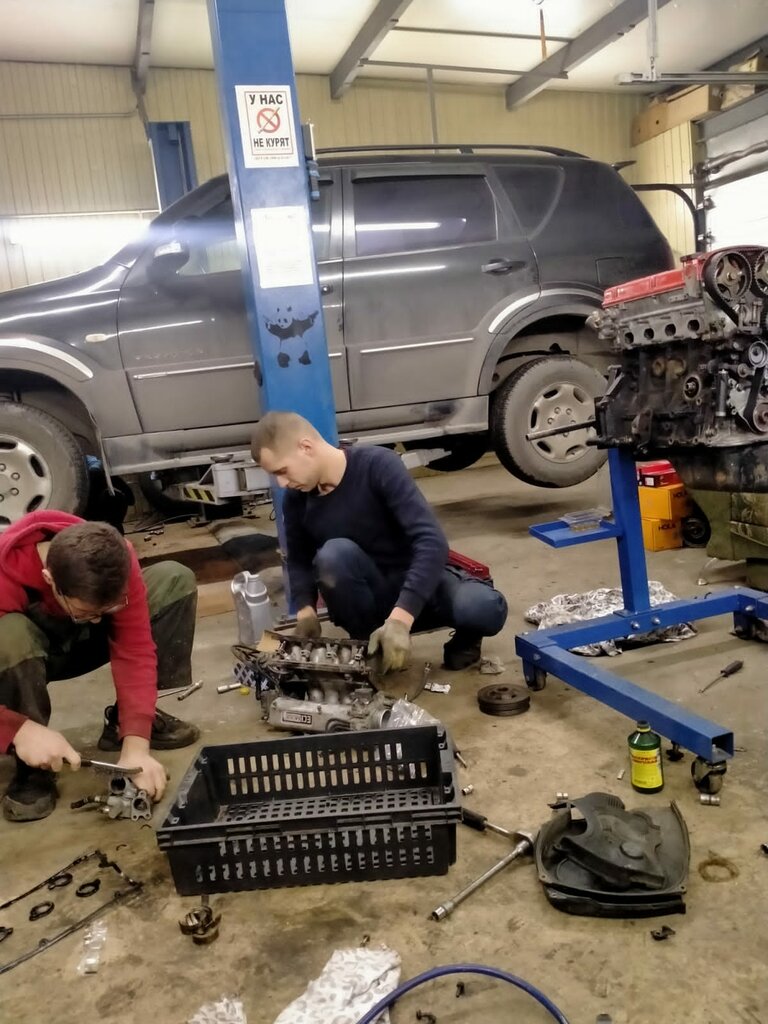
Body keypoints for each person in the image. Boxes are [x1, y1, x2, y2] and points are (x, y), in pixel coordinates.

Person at [251, 411, 508, 672]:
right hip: (369, 600)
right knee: (334, 555)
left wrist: (401, 619)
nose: (282, 483)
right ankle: (368, 649)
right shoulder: (297, 499)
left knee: (484, 608)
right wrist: (306, 611)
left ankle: (465, 638)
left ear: (306, 447)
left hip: (420, 588)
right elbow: (299, 559)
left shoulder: (377, 465)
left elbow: (431, 542)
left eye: (282, 471)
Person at [0, 511, 200, 822]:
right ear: (50, 579)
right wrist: (16, 730)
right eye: (85, 612)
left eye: (106, 611)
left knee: (172, 579)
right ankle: (33, 766)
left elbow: (135, 650)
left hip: (76, 642)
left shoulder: (115, 557)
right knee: (9, 636)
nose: (96, 621)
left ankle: (124, 722)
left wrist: (136, 748)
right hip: (27, 653)